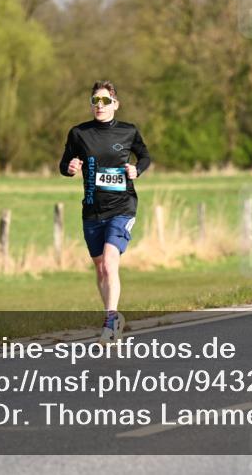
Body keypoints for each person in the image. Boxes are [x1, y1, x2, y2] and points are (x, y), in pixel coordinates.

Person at [60, 81, 151, 343]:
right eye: (95, 101)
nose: (100, 106)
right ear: (91, 105)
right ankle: (113, 317)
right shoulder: (79, 133)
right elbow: (63, 164)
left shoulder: (128, 131)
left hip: (122, 207)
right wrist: (70, 167)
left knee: (111, 264)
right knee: (100, 269)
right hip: (92, 209)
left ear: (115, 104)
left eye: (105, 101)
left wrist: (137, 169)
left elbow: (144, 157)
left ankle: (109, 323)